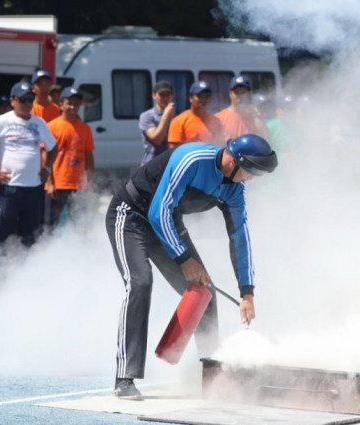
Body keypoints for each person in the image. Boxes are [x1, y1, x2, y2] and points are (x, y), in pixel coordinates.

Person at [105, 134, 278, 400]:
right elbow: (157, 212)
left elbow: (240, 238)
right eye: (251, 171)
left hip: (167, 223)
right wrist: (184, 259)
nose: (252, 178)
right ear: (233, 159)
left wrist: (247, 293)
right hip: (130, 216)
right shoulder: (192, 159)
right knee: (140, 283)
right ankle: (124, 378)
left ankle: (210, 376)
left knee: (205, 294)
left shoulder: (234, 190)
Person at [0, 81, 57, 247]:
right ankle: (1, 272)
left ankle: (26, 272)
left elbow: (53, 147)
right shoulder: (1, 121)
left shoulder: (39, 123)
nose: (27, 104)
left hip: (33, 188)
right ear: (12, 101)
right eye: (22, 99)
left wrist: (47, 168)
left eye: (30, 99)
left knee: (31, 237)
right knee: (4, 235)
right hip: (10, 188)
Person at [45, 86, 95, 227]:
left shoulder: (85, 128)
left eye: (76, 103)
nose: (73, 107)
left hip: (78, 185)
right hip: (58, 183)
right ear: (61, 104)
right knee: (50, 225)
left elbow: (89, 156)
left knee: (79, 225)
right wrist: (49, 183)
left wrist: (90, 182)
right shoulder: (51, 126)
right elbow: (45, 156)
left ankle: (76, 248)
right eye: (69, 103)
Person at [167, 81, 223, 147]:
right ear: (191, 98)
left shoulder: (215, 121)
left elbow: (220, 145)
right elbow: (173, 150)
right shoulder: (178, 121)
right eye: (200, 96)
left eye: (207, 96)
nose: (203, 99)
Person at [215, 75, 269, 140]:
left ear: (248, 94)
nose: (239, 96)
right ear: (230, 93)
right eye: (236, 92)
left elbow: (266, 134)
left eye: (243, 92)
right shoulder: (219, 117)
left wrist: (254, 114)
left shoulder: (251, 116)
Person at [138, 80, 175, 166]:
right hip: (151, 165)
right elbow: (157, 139)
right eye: (162, 95)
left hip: (171, 164)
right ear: (154, 95)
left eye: (167, 95)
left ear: (172, 96)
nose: (165, 98)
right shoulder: (147, 116)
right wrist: (165, 115)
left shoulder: (178, 116)